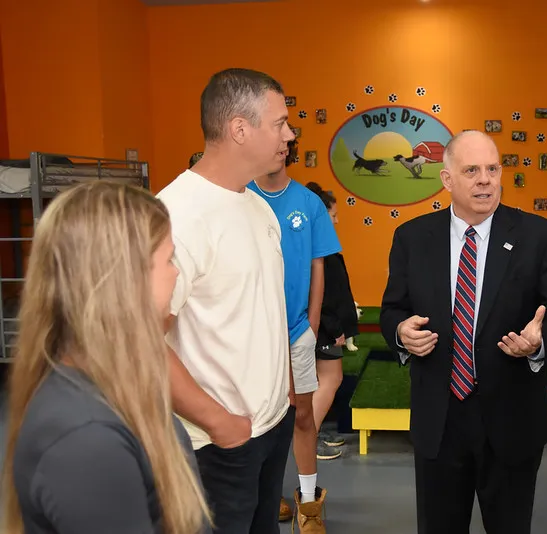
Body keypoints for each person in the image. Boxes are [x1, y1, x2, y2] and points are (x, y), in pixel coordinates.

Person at [380, 130, 547, 533]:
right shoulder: (412, 238)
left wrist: (540, 341)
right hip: (440, 419)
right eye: (471, 170)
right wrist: (401, 332)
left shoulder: (538, 236)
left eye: (492, 169)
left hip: (511, 421)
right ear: (447, 179)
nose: (485, 179)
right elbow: (392, 310)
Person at [1, 181, 210, 534]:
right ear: (124, 278)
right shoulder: (86, 440)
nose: (176, 271)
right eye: (168, 258)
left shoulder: (116, 384)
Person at [157, 68, 296, 534]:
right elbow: (137, 341)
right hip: (217, 445)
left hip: (271, 428)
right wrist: (218, 423)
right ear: (240, 128)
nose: (290, 135)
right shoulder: (177, 215)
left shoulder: (256, 205)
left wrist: (283, 395)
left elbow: (260, 314)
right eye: (279, 123)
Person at [248, 145, 341, 532]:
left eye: (284, 144)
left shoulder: (309, 203)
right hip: (251, 333)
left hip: (297, 330)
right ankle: (261, 503)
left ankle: (308, 507)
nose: (278, 149)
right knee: (255, 421)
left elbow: (318, 266)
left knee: (303, 416)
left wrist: (312, 324)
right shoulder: (242, 197)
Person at [306, 182, 359, 457]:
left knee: (319, 381)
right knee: (331, 379)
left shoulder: (321, 249)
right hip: (324, 330)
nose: (336, 220)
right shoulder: (318, 253)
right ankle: (306, 439)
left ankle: (310, 431)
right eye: (333, 215)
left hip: (324, 328)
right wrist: (335, 328)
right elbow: (323, 297)